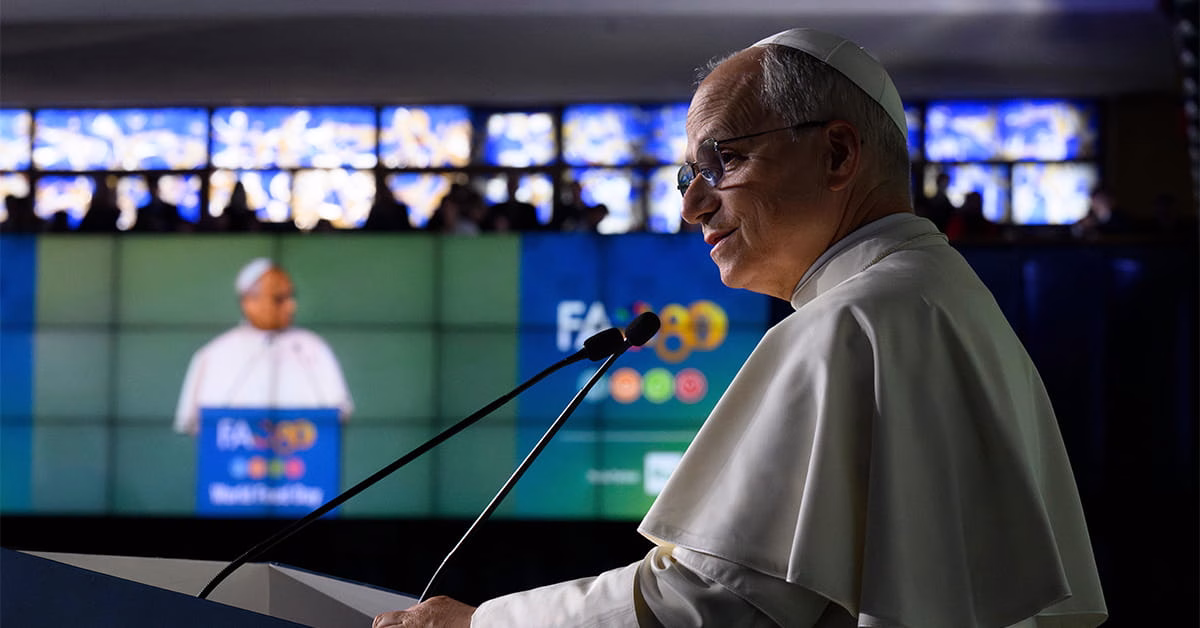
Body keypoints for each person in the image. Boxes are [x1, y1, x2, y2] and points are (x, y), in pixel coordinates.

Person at [376, 28, 1106, 628]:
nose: (693, 206)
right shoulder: (937, 296)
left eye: (722, 162)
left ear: (839, 154)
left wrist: (478, 626)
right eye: (684, 177)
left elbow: (710, 606)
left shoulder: (854, 320)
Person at [174, 258, 353, 436]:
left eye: (291, 297)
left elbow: (339, 412)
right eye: (280, 299)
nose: (291, 306)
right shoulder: (215, 353)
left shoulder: (313, 347)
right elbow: (194, 422)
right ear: (249, 302)